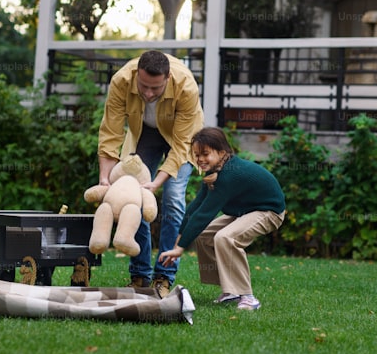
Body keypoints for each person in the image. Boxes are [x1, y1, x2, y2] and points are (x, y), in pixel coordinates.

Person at [97, 50, 204, 298]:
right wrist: (105, 177)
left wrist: (156, 182)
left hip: (181, 139)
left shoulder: (186, 86)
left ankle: (163, 278)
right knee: (132, 199)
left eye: (155, 88)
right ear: (137, 75)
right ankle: (140, 275)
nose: (148, 93)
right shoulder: (121, 81)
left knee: (173, 199)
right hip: (145, 134)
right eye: (143, 86)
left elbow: (181, 146)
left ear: (167, 78)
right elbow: (111, 132)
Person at [159, 127, 286, 311]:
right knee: (204, 235)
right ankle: (230, 290)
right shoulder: (215, 170)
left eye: (205, 154)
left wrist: (179, 249)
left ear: (222, 152)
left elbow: (205, 214)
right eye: (196, 154)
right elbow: (195, 207)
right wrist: (179, 239)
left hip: (269, 212)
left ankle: (248, 297)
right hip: (246, 211)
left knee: (225, 237)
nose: (200, 159)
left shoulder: (229, 175)